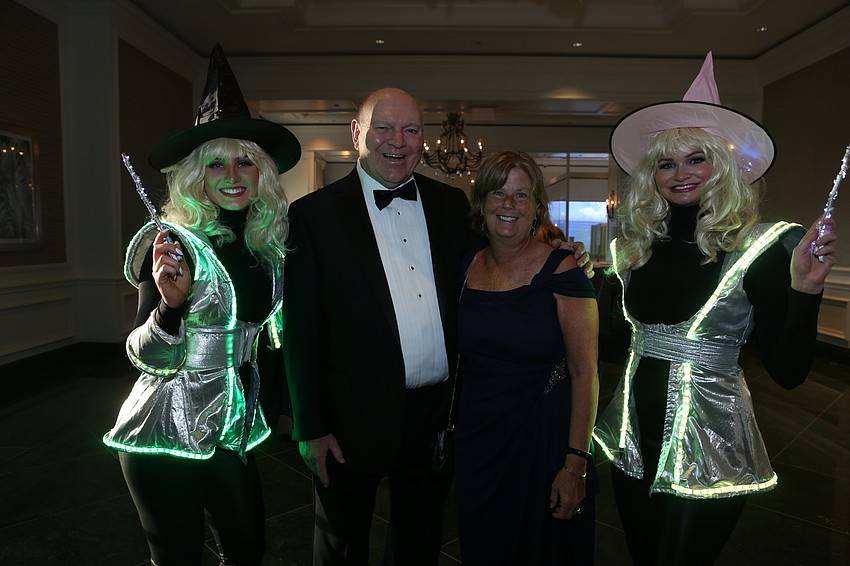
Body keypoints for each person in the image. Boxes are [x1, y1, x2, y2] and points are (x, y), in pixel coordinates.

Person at [282, 87, 591, 565]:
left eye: (410, 130)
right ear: (357, 133)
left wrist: (558, 246)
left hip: (436, 415)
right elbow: (300, 330)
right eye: (384, 127)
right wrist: (311, 427)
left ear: (423, 139)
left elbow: (505, 244)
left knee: (420, 540)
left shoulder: (449, 204)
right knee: (341, 542)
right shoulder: (313, 215)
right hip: (349, 418)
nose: (397, 141)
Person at [592, 52, 837, 565]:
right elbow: (612, 344)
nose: (680, 174)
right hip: (633, 441)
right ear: (651, 176)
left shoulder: (764, 247)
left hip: (709, 445)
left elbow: (788, 373)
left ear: (721, 165)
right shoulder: (635, 248)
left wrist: (805, 293)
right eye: (666, 163)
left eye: (695, 159)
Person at [103, 45, 301, 566]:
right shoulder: (172, 243)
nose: (232, 175)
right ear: (197, 175)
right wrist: (169, 308)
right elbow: (146, 355)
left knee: (248, 549)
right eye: (216, 164)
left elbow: (272, 340)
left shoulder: (269, 249)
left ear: (262, 174)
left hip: (230, 431)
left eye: (245, 162)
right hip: (163, 432)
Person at [453, 150, 599, 565]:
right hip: (478, 441)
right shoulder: (466, 265)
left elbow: (585, 372)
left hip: (543, 441)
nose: (509, 205)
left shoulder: (563, 268)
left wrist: (575, 465)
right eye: (498, 193)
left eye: (521, 195)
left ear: (537, 206)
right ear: (481, 203)